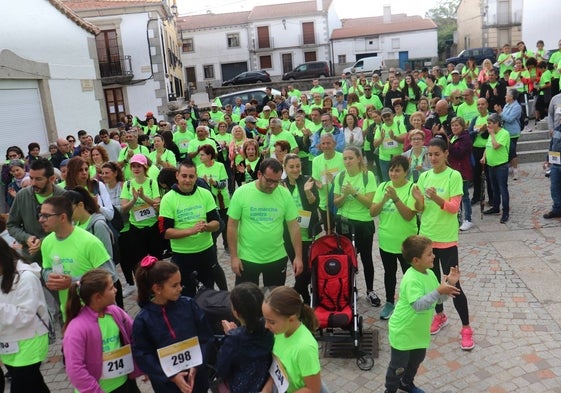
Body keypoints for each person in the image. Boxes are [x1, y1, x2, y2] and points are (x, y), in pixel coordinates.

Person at [414, 138, 474, 350]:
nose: (432, 158)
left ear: (446, 154)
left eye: (437, 154)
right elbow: (420, 208)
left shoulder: (453, 175)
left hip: (447, 239)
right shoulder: (424, 176)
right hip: (427, 236)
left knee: (453, 284)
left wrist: (436, 198)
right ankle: (439, 315)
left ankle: (466, 328)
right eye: (429, 154)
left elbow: (453, 208)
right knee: (432, 282)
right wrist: (417, 200)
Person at [384, 235, 460, 393]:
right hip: (403, 332)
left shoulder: (430, 273)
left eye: (432, 252)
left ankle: (406, 383)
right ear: (416, 260)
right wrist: (439, 290)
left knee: (417, 359)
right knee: (398, 366)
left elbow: (438, 300)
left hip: (418, 332)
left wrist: (450, 284)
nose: (433, 256)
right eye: (429, 254)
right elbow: (418, 305)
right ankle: (390, 390)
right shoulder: (411, 279)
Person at [132, 258, 212, 393]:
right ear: (157, 289)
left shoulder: (189, 305)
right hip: (167, 386)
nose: (180, 288)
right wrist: (171, 376)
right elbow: (143, 354)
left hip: (197, 377)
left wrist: (198, 364)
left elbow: (206, 337)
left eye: (180, 284)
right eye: (174, 286)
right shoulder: (143, 320)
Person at [40, 196, 118, 320]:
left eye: (46, 216)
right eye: (40, 215)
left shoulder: (90, 242)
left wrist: (73, 282)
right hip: (69, 314)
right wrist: (49, 276)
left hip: (98, 315)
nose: (41, 220)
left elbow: (110, 275)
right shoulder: (46, 243)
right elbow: (46, 269)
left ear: (63, 217)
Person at [227, 158, 303, 287]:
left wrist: (298, 256)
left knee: (275, 302)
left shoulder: (284, 194)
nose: (272, 185)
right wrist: (234, 257)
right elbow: (232, 226)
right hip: (247, 258)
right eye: (269, 180)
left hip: (277, 257)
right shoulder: (241, 193)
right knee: (247, 302)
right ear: (259, 174)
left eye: (276, 181)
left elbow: (294, 226)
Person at [62, 269, 141, 393]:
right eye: (111, 288)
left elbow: (134, 337)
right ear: (98, 297)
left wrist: (142, 366)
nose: (116, 290)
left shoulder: (116, 312)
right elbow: (75, 368)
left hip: (125, 384)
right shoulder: (76, 329)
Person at [370, 156, 422, 320]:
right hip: (387, 241)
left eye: (398, 170)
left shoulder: (413, 188)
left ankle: (411, 303)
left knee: (410, 275)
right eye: (391, 170)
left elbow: (408, 216)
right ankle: (389, 302)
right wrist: (384, 198)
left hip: (407, 243)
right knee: (389, 274)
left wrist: (395, 198)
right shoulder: (383, 187)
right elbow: (372, 212)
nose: (393, 173)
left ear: (406, 172)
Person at [159, 160, 220, 297]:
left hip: (206, 251)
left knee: (208, 291)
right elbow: (165, 233)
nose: (187, 180)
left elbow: (216, 223)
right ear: (177, 175)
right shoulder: (168, 199)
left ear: (196, 177)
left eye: (191, 176)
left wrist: (207, 226)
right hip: (182, 255)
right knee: (186, 294)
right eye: (184, 176)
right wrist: (191, 231)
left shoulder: (205, 194)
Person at [0, 237, 50, 393]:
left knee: (22, 387)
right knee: (35, 385)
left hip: (30, 340)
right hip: (8, 342)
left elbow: (25, 315)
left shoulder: (25, 277)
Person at [332, 146, 379, 306]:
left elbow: (370, 204)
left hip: (363, 223)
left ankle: (370, 290)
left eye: (350, 158)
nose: (347, 161)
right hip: (344, 223)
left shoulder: (368, 176)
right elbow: (336, 203)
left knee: (366, 258)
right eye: (345, 158)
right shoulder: (339, 177)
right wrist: (344, 195)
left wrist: (354, 192)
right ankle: (349, 290)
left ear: (359, 158)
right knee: (346, 259)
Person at [261, 286, 324, 393]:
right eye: (265, 320)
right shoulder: (280, 332)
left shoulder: (305, 348)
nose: (266, 326)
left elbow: (313, 389)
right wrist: (267, 387)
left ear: (291, 319)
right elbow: (278, 366)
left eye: (271, 322)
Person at [215, 282, 274, 393]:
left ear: (236, 313)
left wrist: (231, 334)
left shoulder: (234, 340)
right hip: (266, 381)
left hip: (242, 387)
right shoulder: (270, 327)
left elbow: (222, 369)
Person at [7, 158, 66, 260]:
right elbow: (12, 225)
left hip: (60, 256)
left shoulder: (63, 196)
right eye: (31, 178)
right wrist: (26, 238)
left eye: (38, 179)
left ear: (52, 179)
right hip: (31, 259)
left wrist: (43, 242)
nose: (33, 183)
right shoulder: (22, 195)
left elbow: (70, 227)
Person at [282, 154, 319, 304]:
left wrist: (308, 191)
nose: (295, 169)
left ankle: (292, 295)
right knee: (299, 268)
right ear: (285, 167)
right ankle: (306, 299)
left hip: (308, 233)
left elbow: (314, 205)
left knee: (308, 269)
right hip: (290, 235)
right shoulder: (281, 185)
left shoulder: (308, 180)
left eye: (298, 166)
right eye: (291, 167)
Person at [120, 154, 163, 278]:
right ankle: (145, 287)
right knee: (139, 263)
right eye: (133, 166)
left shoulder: (151, 183)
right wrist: (133, 200)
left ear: (145, 167)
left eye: (139, 166)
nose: (136, 169)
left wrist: (143, 197)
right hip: (136, 229)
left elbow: (157, 203)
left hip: (153, 226)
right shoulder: (128, 185)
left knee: (157, 260)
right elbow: (123, 208)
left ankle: (159, 283)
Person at [481, 113, 511, 224]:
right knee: (494, 188)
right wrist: (484, 157)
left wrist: (492, 134)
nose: (488, 126)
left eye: (490, 123)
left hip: (501, 166)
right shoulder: (491, 133)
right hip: (491, 165)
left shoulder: (504, 133)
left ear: (497, 123)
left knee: (503, 188)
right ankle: (495, 207)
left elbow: (496, 146)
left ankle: (506, 211)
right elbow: (488, 146)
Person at [65, 156, 115, 222]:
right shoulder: (67, 192)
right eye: (80, 170)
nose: (84, 173)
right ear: (72, 172)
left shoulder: (97, 185)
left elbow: (110, 215)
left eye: (86, 169)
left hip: (99, 226)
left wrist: (97, 206)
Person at [448, 117, 474, 231]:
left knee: (465, 196)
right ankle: (457, 218)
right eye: (452, 125)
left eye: (457, 125)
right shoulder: (452, 137)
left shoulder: (466, 138)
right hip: (452, 170)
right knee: (454, 196)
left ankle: (467, 219)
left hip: (462, 170)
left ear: (462, 126)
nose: (454, 128)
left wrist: (449, 144)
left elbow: (459, 153)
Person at [373, 108, 407, 181]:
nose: (387, 118)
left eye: (388, 115)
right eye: (384, 116)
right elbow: (375, 144)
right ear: (382, 118)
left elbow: (405, 139)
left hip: (398, 158)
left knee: (399, 179)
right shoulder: (380, 127)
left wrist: (394, 137)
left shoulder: (399, 124)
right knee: (387, 180)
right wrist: (381, 138)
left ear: (392, 115)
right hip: (384, 159)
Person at [495, 89, 522, 180]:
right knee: (508, 150)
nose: (505, 96)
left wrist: (500, 112)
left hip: (513, 132)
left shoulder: (517, 107)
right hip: (505, 131)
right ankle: (510, 167)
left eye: (507, 95)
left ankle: (515, 170)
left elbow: (510, 119)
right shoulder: (507, 105)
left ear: (511, 97)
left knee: (512, 151)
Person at [543, 92, 561, 219]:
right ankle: (557, 208)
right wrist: (548, 159)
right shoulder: (558, 130)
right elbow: (553, 144)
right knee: (554, 186)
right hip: (556, 161)